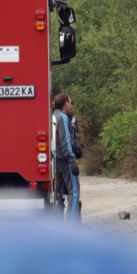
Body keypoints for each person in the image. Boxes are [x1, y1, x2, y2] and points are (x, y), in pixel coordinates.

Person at [52, 93, 80, 221]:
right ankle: (72, 224)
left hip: (55, 160)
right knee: (73, 192)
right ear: (65, 104)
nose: (71, 104)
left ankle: (58, 223)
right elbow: (66, 141)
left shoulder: (53, 116)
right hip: (65, 160)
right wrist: (72, 159)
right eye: (70, 102)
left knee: (58, 194)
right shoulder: (63, 118)